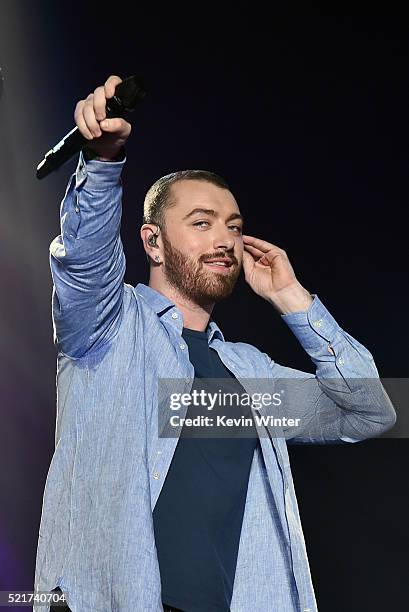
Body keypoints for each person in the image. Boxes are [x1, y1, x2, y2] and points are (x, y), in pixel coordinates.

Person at [34, 75, 396, 612]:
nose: (224, 239)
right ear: (153, 242)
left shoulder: (249, 378)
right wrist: (103, 162)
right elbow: (85, 260)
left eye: (233, 226)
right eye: (201, 223)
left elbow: (370, 411)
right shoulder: (110, 328)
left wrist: (294, 299)